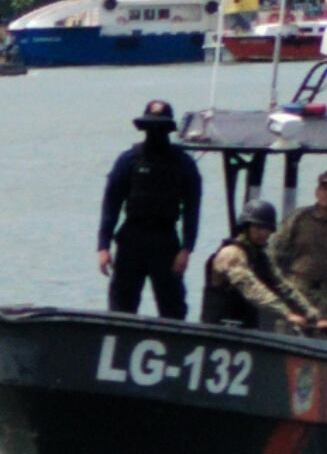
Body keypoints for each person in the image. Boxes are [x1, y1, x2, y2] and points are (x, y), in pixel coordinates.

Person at [94, 98, 200, 318]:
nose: (155, 131)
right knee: (121, 306)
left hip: (166, 242)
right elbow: (111, 204)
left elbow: (192, 209)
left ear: (168, 129)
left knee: (173, 308)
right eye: (151, 126)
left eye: (160, 127)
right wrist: (103, 247)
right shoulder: (129, 160)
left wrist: (187, 249)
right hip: (131, 239)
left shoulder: (183, 164)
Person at [199, 197, 309, 331]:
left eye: (267, 229)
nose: (263, 233)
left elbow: (283, 287)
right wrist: (286, 313)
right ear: (246, 227)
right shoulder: (231, 254)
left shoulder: (260, 257)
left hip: (245, 331)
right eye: (258, 227)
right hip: (218, 331)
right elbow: (251, 288)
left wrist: (314, 315)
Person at [271, 163, 327, 331]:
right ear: (317, 192)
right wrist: (274, 280)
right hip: (297, 286)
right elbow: (275, 250)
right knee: (287, 330)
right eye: (324, 188)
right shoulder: (298, 218)